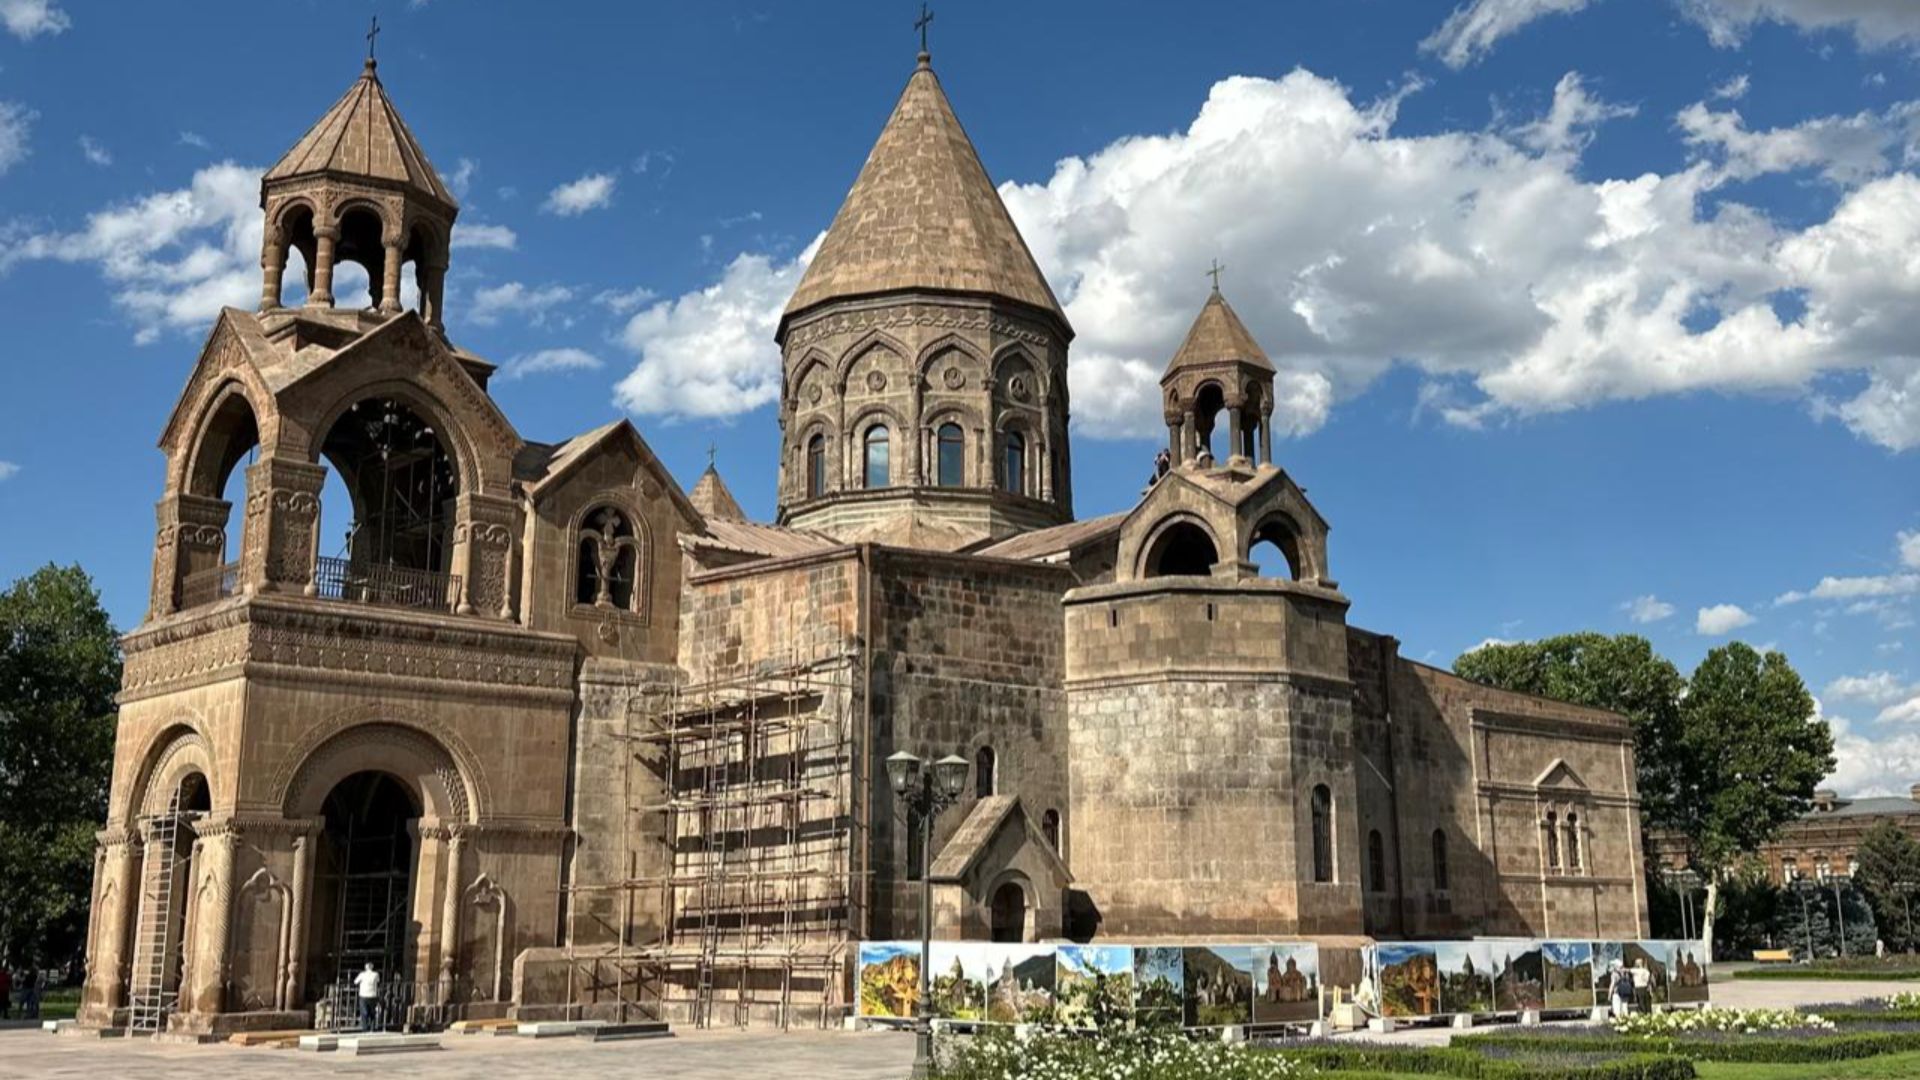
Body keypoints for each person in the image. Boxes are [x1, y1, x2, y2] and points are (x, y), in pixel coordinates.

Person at [353, 962, 381, 1032]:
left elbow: (355, 982)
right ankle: (372, 1027)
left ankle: (365, 1028)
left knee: (364, 1012)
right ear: (372, 967)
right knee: (372, 1012)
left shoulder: (362, 974)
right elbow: (378, 981)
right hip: (373, 995)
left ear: (365, 967)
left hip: (363, 995)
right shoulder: (376, 974)